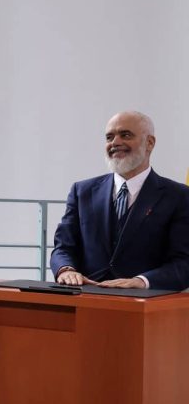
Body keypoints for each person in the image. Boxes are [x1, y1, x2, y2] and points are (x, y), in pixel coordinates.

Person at [51, 111, 189, 291]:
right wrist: (65, 269)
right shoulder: (81, 192)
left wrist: (142, 281)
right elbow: (63, 247)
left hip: (147, 308)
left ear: (150, 143)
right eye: (109, 137)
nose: (115, 143)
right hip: (86, 302)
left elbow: (184, 262)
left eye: (125, 135)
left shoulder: (179, 196)